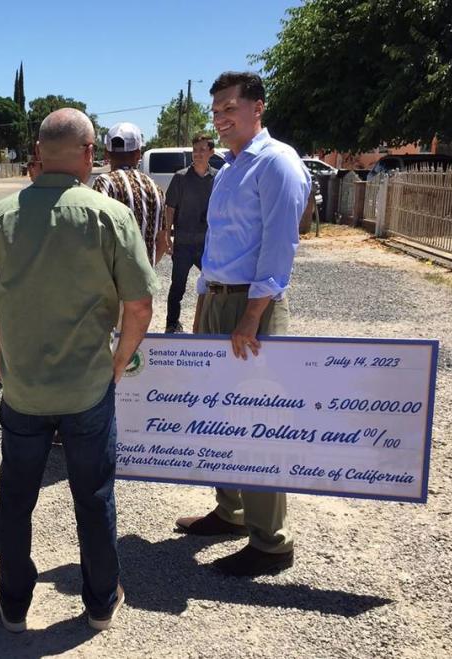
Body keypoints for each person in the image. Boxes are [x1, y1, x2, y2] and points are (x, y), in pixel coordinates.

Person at [0, 108, 158, 632]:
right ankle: (98, 603)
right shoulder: (109, 216)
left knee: (16, 495)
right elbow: (140, 305)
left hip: (22, 390)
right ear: (88, 153)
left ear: (39, 153)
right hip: (89, 389)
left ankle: (15, 604)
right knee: (93, 496)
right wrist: (119, 361)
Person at [174, 71, 311, 577]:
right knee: (219, 411)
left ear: (258, 107)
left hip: (252, 309)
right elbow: (220, 244)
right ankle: (230, 511)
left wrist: (250, 317)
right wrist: (202, 300)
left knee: (259, 419)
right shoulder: (231, 167)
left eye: (229, 108)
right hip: (219, 303)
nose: (221, 119)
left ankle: (271, 543)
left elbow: (279, 249)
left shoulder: (277, 164)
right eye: (216, 112)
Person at [163, 134, 219, 333]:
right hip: (183, 243)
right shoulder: (181, 177)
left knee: (216, 285)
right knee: (177, 286)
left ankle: (212, 324)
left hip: (208, 245)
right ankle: (171, 324)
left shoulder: (218, 178)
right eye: (195, 150)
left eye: (203, 150)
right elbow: (170, 207)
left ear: (211, 152)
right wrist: (167, 236)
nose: (198, 154)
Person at [92, 122, 167, 266]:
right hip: (145, 283)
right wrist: (146, 270)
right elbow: (162, 243)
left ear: (107, 154)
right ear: (138, 153)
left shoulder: (105, 183)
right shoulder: (156, 189)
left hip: (113, 284)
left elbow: (96, 237)